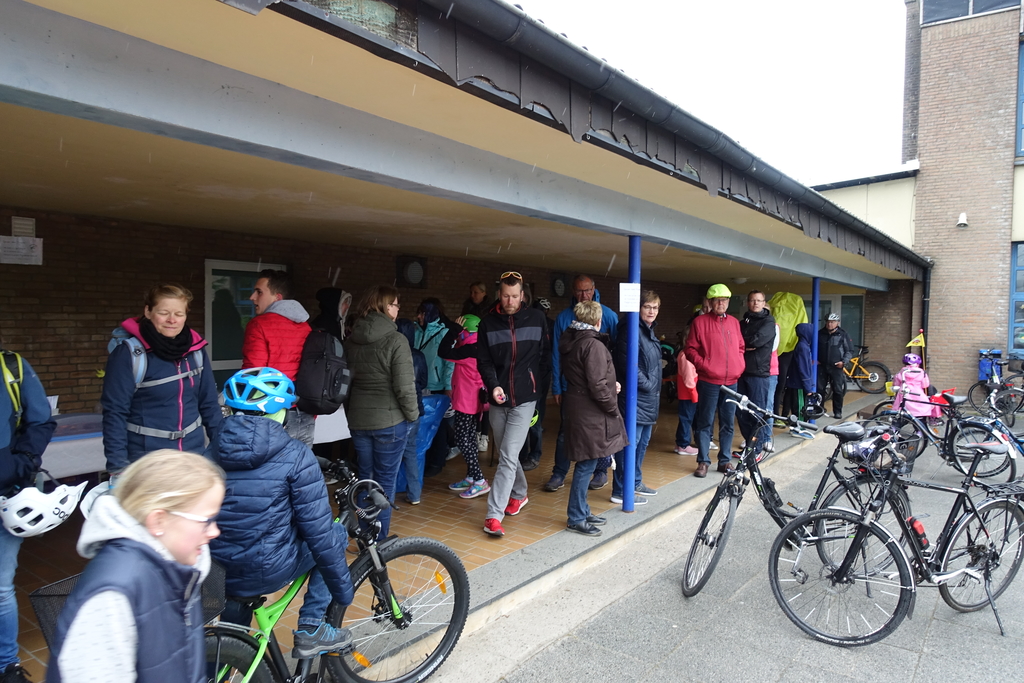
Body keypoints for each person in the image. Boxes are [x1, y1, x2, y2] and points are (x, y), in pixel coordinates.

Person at [210, 368, 354, 658]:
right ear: (281, 414)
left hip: (216, 571)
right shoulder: (296, 455)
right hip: (266, 569)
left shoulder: (210, 450)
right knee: (336, 533)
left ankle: (226, 657)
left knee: (228, 645)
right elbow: (320, 535)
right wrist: (343, 592)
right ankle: (311, 628)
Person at [46, 450, 224, 683]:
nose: (215, 531)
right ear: (158, 520)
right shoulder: (113, 596)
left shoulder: (178, 570)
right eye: (206, 520)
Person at [101, 284, 221, 477]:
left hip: (194, 457)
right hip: (148, 461)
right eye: (163, 313)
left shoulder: (196, 351)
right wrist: (117, 467)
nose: (172, 320)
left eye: (179, 314)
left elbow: (209, 404)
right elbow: (115, 413)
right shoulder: (129, 354)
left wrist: (221, 448)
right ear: (148, 312)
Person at [477, 271, 549, 537]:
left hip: (526, 398)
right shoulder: (487, 323)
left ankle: (493, 516)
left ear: (522, 295)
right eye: (506, 296)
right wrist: (493, 385)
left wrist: (539, 392)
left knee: (507, 455)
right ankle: (519, 493)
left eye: (515, 296)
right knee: (509, 453)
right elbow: (483, 361)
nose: (510, 301)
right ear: (499, 294)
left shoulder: (537, 319)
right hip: (499, 398)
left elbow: (545, 359)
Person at [344, 286, 418, 540]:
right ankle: (378, 542)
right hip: (390, 422)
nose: (398, 309)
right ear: (387, 307)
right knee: (385, 484)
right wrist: (413, 416)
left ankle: (365, 536)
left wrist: (351, 415)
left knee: (365, 480)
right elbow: (404, 387)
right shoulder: (396, 340)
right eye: (396, 305)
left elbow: (347, 384)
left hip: (359, 420)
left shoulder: (351, 340)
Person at [1, 346, 56, 683]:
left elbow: (41, 420)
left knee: (0, 588)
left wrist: (20, 463)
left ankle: (6, 666)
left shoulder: (11, 367)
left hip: (3, 493)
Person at [545, 275, 618, 492]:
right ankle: (559, 473)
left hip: (598, 387)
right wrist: (557, 387)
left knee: (600, 433)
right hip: (572, 388)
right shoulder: (564, 318)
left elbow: (615, 352)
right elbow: (556, 355)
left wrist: (613, 382)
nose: (583, 295)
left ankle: (600, 471)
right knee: (565, 432)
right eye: (579, 291)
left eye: (587, 290)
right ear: (573, 291)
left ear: (594, 290)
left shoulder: (608, 315)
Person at [560, 301, 627, 536]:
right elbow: (597, 384)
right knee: (586, 464)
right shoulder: (592, 344)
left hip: (579, 407)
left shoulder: (572, 340)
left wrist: (610, 384)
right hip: (591, 411)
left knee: (586, 462)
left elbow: (587, 377)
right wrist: (612, 406)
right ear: (598, 321)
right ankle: (576, 517)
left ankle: (582, 510)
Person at [243, 269, 314, 445]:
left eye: (259, 292)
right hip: (303, 412)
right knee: (301, 461)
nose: (252, 297)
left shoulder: (259, 324)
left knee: (268, 462)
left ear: (278, 298)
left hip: (271, 413)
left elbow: (253, 374)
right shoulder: (306, 327)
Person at [684, 284, 744, 478]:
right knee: (705, 421)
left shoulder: (734, 323)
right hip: (709, 380)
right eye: (717, 300)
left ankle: (724, 461)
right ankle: (703, 461)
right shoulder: (699, 322)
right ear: (710, 302)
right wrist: (705, 366)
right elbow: (690, 349)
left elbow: (741, 347)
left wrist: (739, 365)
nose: (721, 303)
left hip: (731, 380)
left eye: (724, 300)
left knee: (728, 422)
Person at [610, 290, 662, 505]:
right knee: (630, 444)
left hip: (648, 398)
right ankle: (621, 490)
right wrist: (649, 385)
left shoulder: (647, 330)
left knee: (642, 443)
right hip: (636, 397)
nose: (651, 311)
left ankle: (635, 481)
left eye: (655, 307)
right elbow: (628, 364)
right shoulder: (630, 329)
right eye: (647, 307)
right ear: (638, 308)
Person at [438, 315, 491, 499]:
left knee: (461, 439)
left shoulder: (468, 350)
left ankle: (479, 480)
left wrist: (454, 330)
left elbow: (443, 351)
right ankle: (471, 477)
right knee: (469, 437)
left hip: (466, 401)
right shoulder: (480, 345)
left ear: (465, 331)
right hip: (475, 400)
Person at [736, 290, 776, 456]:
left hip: (758, 374)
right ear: (748, 302)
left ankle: (756, 450)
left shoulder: (769, 322)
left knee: (756, 413)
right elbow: (737, 341)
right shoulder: (743, 322)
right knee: (741, 412)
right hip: (741, 372)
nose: (755, 303)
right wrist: (746, 345)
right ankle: (749, 447)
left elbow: (756, 341)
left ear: (763, 303)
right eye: (752, 300)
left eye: (759, 300)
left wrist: (744, 344)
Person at [395, 318, 428, 505]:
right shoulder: (419, 355)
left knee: (390, 454)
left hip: (397, 410)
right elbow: (423, 382)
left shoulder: (393, 352)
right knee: (411, 453)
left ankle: (386, 494)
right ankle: (414, 494)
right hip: (416, 408)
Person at [818, 312, 855, 419]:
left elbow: (849, 350)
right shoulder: (820, 333)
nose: (830, 324)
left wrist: (844, 362)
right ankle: (819, 410)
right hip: (822, 366)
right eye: (828, 322)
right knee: (820, 389)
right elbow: (813, 347)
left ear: (837, 323)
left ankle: (837, 412)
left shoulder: (843, 334)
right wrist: (814, 359)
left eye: (832, 322)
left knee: (838, 390)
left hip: (836, 367)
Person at [784, 323, 816, 439]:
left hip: (796, 382)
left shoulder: (802, 345)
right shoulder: (803, 347)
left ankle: (796, 427)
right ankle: (798, 429)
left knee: (797, 406)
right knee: (800, 407)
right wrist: (808, 386)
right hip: (799, 384)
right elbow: (803, 368)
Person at [892, 353, 940, 419]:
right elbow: (925, 385)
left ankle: (901, 422)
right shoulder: (921, 372)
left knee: (903, 408)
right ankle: (920, 423)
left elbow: (896, 383)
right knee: (923, 407)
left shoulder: (902, 371)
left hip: (905, 391)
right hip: (917, 392)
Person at [673, 347, 699, 456]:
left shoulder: (683, 354)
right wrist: (694, 394)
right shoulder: (686, 355)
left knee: (685, 418)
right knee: (686, 419)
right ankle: (683, 445)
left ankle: (680, 443)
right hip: (688, 393)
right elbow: (688, 378)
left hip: (687, 392)